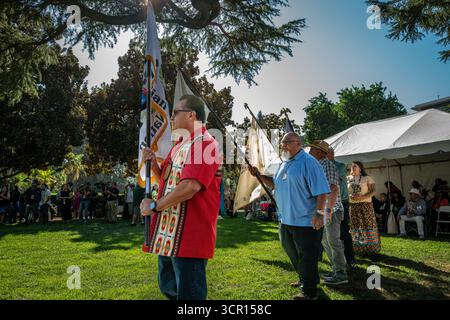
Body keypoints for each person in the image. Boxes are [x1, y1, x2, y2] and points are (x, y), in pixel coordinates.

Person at [140, 94, 221, 300]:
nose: (172, 117)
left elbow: (190, 186)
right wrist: (154, 164)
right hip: (169, 233)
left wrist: (156, 205)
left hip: (189, 234)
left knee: (189, 295)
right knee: (169, 287)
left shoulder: (205, 143)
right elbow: (167, 180)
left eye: (176, 112)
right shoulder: (181, 144)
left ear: (191, 115)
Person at [249, 132, 330, 300]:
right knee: (292, 252)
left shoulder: (309, 162)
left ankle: (309, 292)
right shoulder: (284, 163)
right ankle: (305, 279)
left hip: (305, 221)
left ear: (298, 143)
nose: (283, 145)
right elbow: (276, 183)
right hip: (285, 219)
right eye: (283, 143)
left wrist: (319, 213)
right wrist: (259, 175)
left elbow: (322, 191)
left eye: (287, 142)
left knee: (307, 256)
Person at [309, 140, 348, 285]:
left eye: (312, 149)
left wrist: (328, 210)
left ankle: (341, 274)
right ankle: (337, 269)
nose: (309, 151)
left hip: (331, 210)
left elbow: (334, 188)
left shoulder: (328, 166)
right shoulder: (318, 165)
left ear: (320, 152)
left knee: (333, 241)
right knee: (326, 242)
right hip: (325, 210)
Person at [327, 147, 355, 269]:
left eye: (326, 153)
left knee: (344, 232)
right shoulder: (322, 165)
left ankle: (350, 259)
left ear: (332, 154)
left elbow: (334, 181)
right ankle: (338, 260)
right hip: (329, 203)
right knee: (330, 234)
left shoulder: (340, 165)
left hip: (341, 202)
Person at [347, 161, 381, 255]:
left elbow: (373, 191)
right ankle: (358, 248)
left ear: (360, 168)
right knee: (355, 226)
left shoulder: (367, 178)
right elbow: (345, 191)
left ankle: (371, 248)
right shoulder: (348, 178)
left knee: (367, 225)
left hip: (365, 206)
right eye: (352, 166)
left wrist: (361, 197)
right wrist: (350, 195)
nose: (353, 167)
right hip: (353, 206)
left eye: (355, 166)